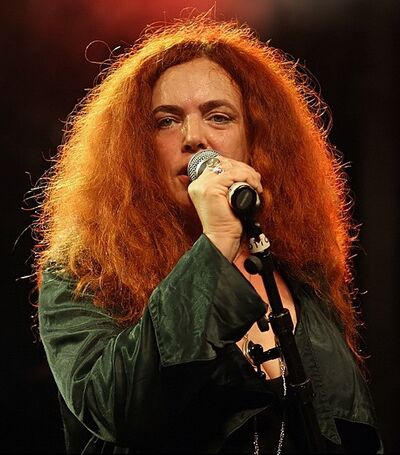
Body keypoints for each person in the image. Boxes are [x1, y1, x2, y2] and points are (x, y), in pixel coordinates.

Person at [32, 14, 382, 454]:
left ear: (256, 140)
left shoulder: (300, 272)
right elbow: (116, 409)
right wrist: (215, 242)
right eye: (166, 121)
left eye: (219, 117)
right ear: (136, 147)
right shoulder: (86, 274)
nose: (194, 137)